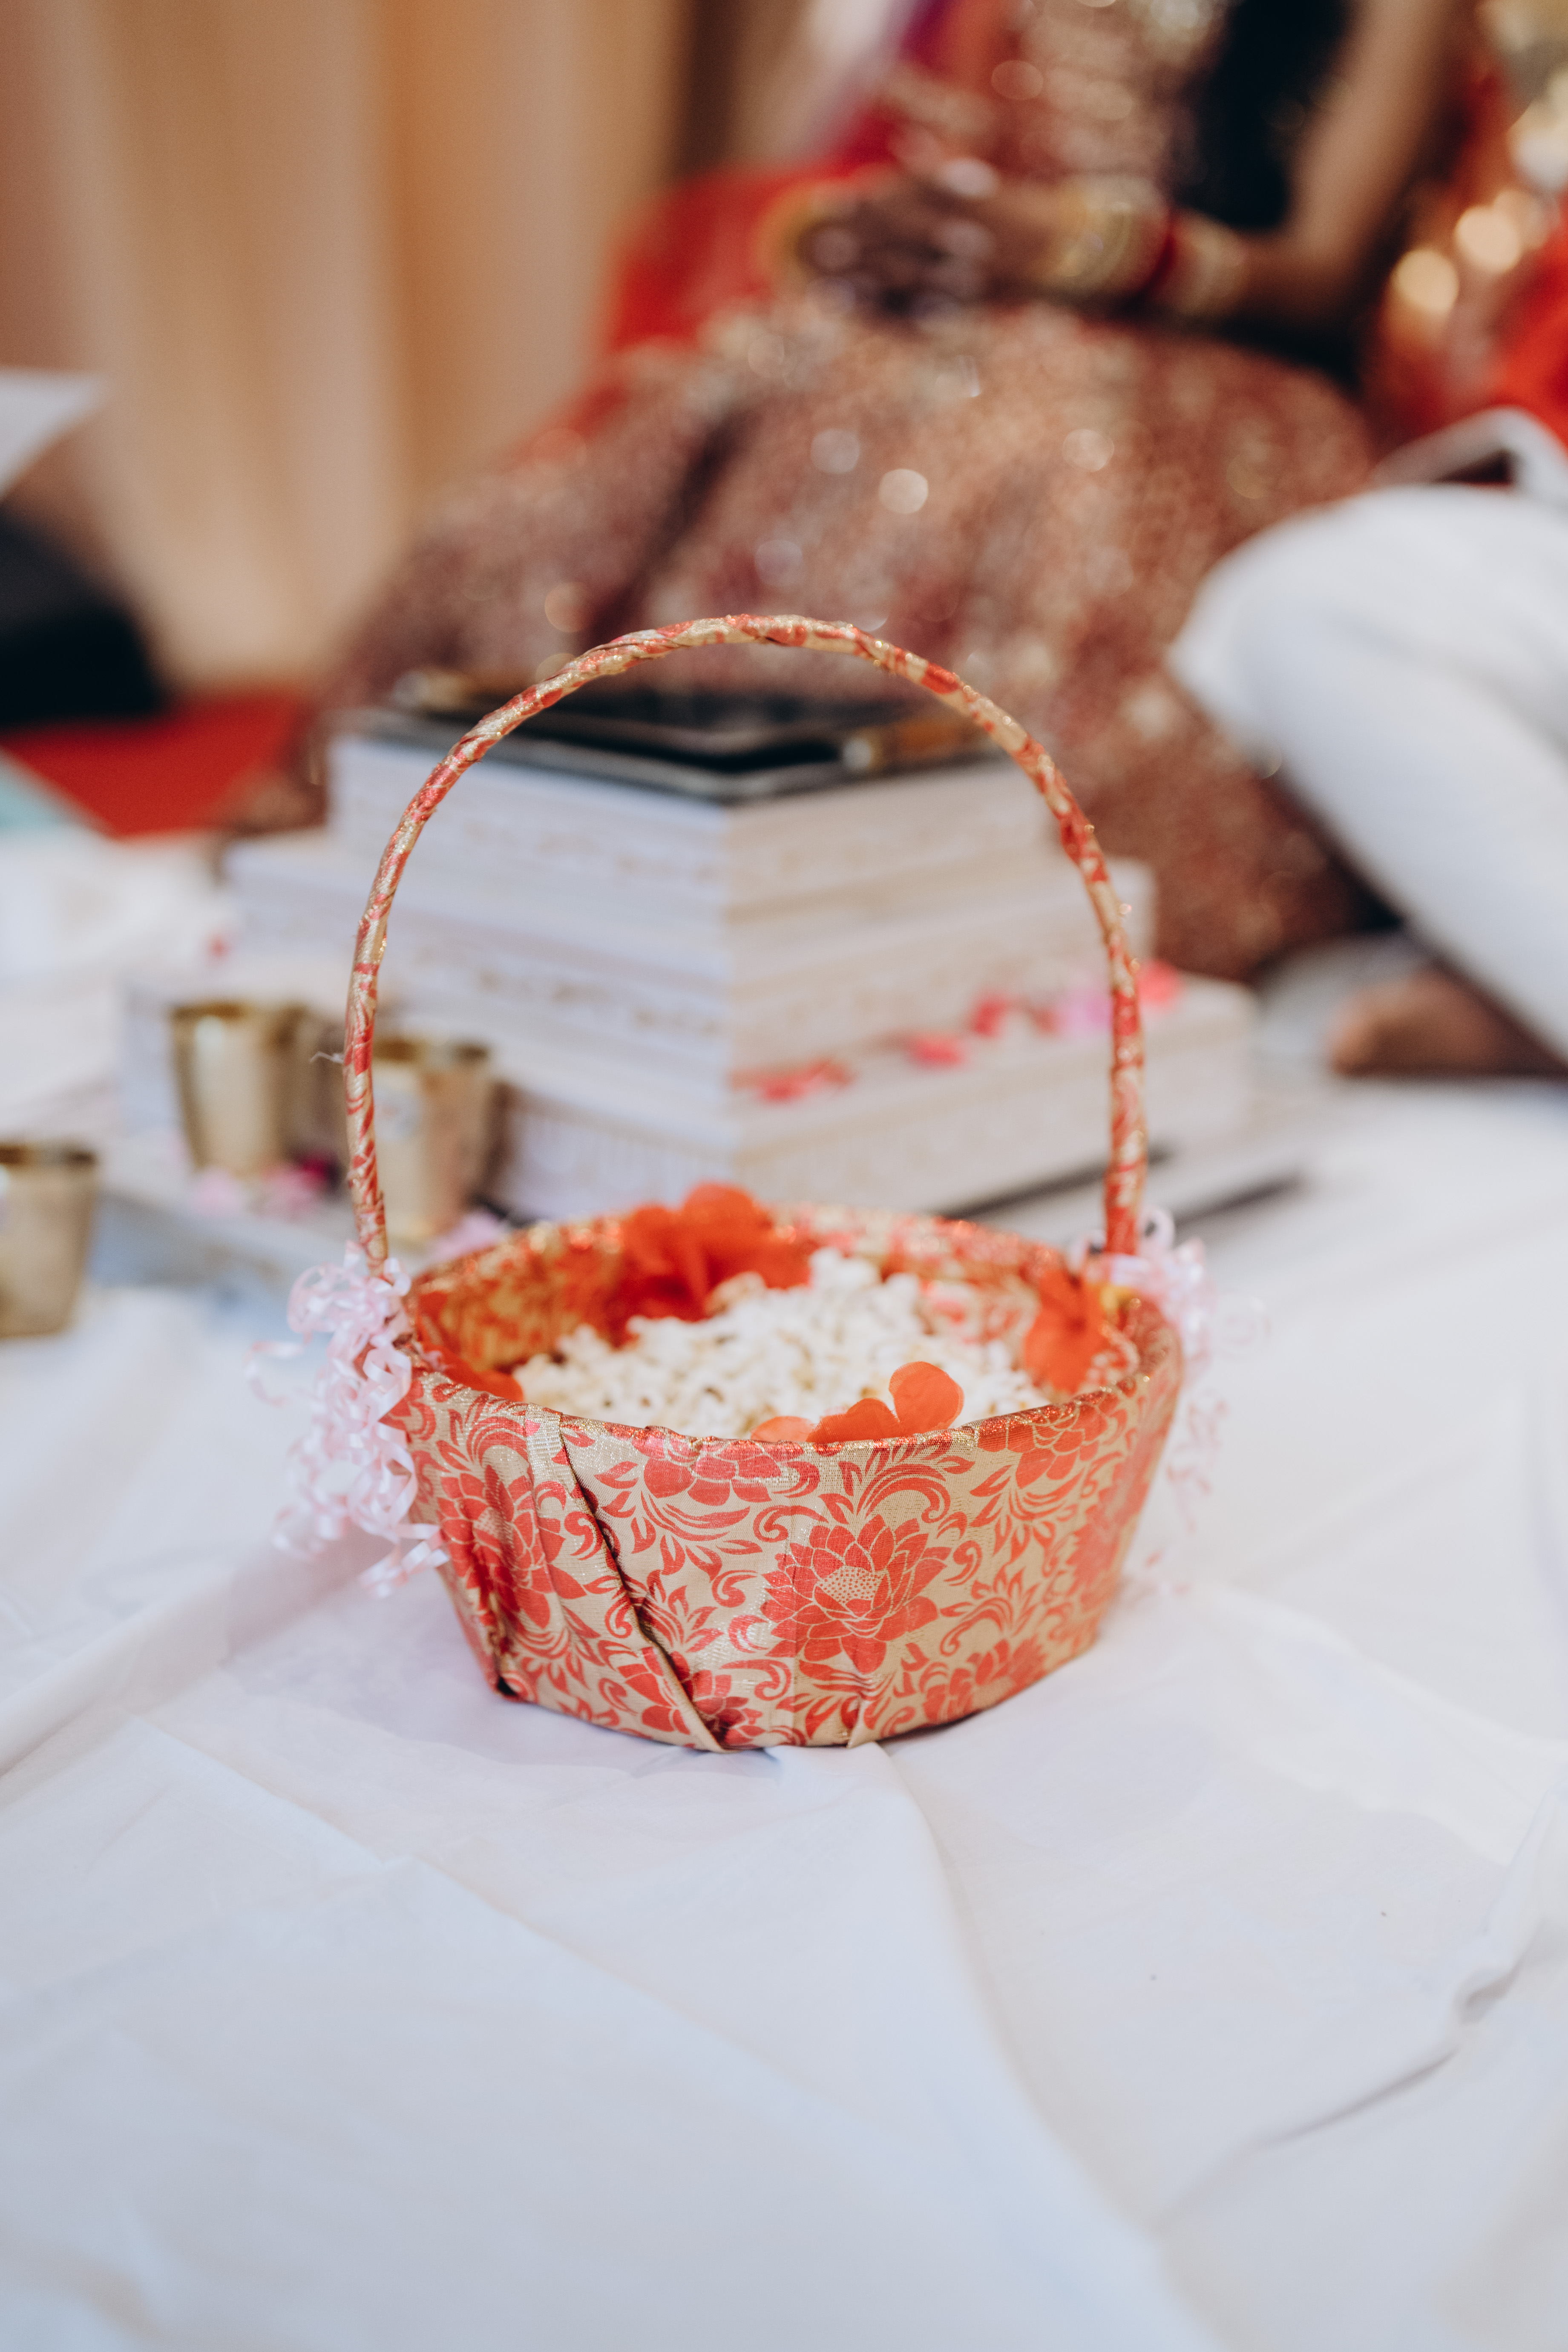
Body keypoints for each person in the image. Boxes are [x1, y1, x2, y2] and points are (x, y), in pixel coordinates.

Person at [331, 0, 1487, 981]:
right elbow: (927, 142)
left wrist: (1084, 248)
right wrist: (889, 233)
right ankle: (600, 871)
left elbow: (1324, 267)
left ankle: (911, 936)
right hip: (965, 315)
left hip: (1196, 356)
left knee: (1052, 453)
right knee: (698, 410)